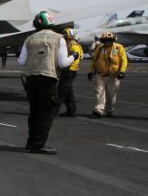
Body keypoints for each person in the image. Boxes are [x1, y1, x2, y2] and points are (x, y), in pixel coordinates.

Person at [18, 11, 77, 154]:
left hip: (30, 79)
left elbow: (22, 61)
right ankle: (39, 144)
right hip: (48, 78)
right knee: (47, 112)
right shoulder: (59, 38)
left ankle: (31, 142)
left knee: (34, 111)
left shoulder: (29, 38)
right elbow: (63, 63)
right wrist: (73, 57)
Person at [87, 31, 128, 117]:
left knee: (111, 95)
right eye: (105, 40)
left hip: (114, 75)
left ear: (113, 40)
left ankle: (109, 109)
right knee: (99, 91)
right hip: (100, 75)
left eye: (109, 40)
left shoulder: (119, 48)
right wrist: (90, 71)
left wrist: (122, 72)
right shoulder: (100, 48)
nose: (107, 42)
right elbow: (94, 60)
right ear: (102, 41)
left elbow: (124, 60)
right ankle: (99, 110)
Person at [57, 28, 84, 117]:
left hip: (69, 71)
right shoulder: (69, 44)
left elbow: (75, 59)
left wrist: (68, 67)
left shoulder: (74, 45)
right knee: (68, 92)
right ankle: (71, 110)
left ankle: (53, 111)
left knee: (61, 91)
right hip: (68, 70)